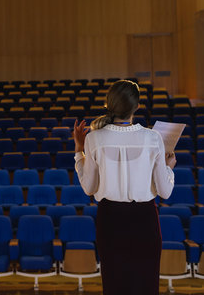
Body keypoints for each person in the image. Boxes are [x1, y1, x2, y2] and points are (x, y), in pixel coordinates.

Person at [73, 79, 176, 295]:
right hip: (144, 219)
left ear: (109, 105)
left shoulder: (93, 139)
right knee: (146, 286)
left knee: (114, 286)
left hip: (110, 220)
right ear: (137, 106)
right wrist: (168, 167)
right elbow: (165, 192)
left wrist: (79, 152)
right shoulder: (153, 137)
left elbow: (89, 188)